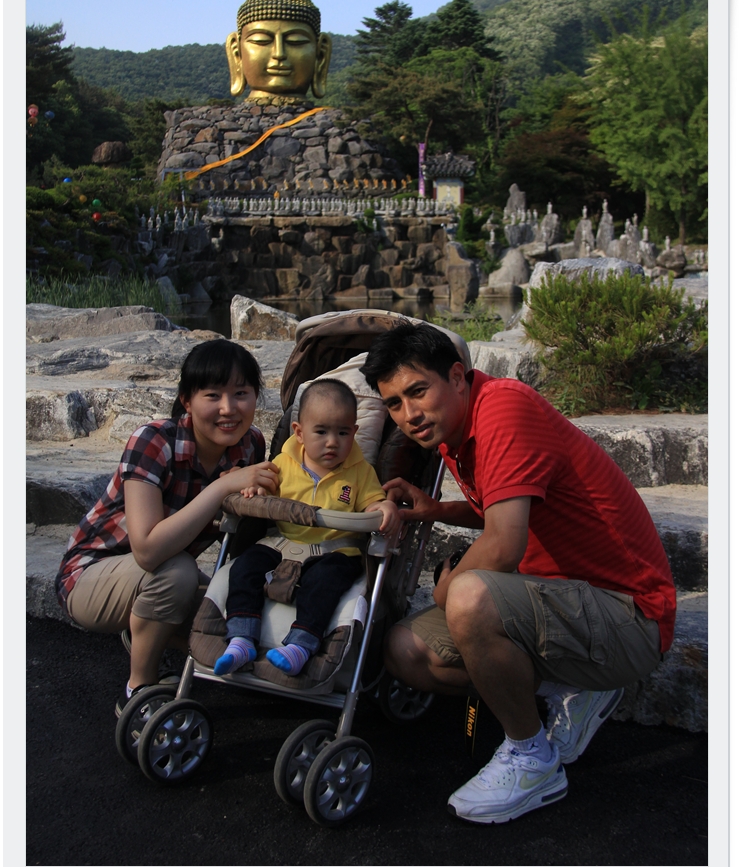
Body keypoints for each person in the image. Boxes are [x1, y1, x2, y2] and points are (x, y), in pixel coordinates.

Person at [361, 323, 676, 825]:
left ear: (457, 377)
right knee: (404, 651)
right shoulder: (456, 432)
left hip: (627, 614)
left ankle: (532, 758)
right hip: (559, 600)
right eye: (394, 403)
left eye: (418, 391)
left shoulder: (504, 409)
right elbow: (504, 505)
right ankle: (567, 688)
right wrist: (437, 509)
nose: (409, 414)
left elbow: (504, 545)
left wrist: (446, 591)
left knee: (467, 596)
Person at [56, 339, 280, 716]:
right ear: (186, 401)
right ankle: (139, 689)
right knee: (177, 573)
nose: (229, 408)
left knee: (234, 616)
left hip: (161, 573)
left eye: (241, 393)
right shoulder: (154, 441)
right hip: (91, 575)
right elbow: (147, 550)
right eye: (213, 395)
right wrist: (221, 488)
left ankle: (144, 629)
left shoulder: (249, 445)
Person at [213, 378, 401, 677]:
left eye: (343, 432)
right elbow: (264, 489)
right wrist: (255, 491)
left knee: (325, 583)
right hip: (282, 543)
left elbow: (373, 503)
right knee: (244, 568)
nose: (332, 442)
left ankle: (301, 645)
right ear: (299, 432)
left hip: (335, 551)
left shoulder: (360, 472)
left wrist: (383, 508)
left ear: (354, 432)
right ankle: (241, 638)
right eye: (321, 432)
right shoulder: (283, 463)